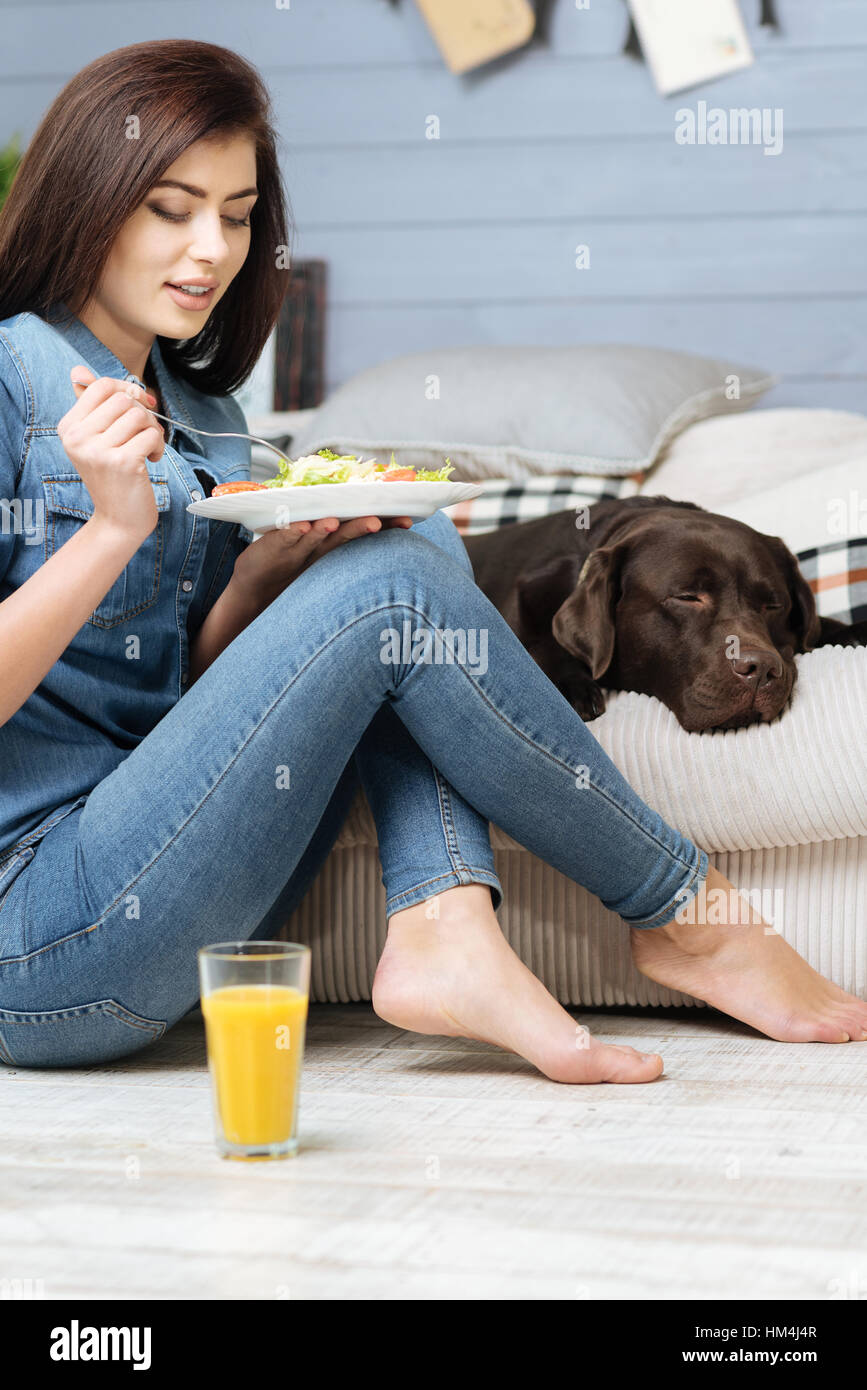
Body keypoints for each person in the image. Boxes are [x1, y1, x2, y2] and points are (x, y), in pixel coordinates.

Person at [1, 40, 864, 1082]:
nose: (211, 251)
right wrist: (109, 531)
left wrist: (266, 581)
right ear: (91, 198)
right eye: (171, 208)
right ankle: (692, 915)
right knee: (390, 588)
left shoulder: (207, 415)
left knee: (410, 534)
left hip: (187, 892)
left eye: (235, 216)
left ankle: (446, 915)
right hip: (41, 934)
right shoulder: (12, 378)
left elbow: (183, 703)